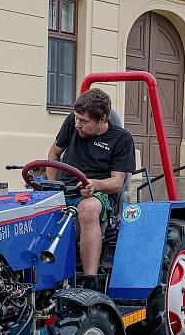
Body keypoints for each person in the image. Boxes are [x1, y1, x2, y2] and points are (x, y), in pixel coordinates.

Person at [46, 88, 135, 289]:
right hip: (64, 189)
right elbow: (54, 154)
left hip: (100, 194)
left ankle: (89, 280)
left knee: (88, 208)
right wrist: (51, 187)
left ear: (102, 119)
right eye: (76, 118)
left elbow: (117, 183)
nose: (77, 124)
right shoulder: (73, 123)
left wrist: (94, 184)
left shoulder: (121, 139)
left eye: (84, 121)